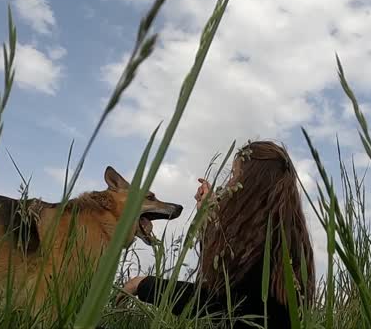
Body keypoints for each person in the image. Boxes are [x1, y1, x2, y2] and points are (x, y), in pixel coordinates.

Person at [119, 140, 316, 328]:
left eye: (234, 174)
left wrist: (143, 284)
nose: (229, 183)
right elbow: (227, 293)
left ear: (251, 183)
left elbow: (214, 303)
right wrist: (210, 221)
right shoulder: (288, 241)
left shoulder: (262, 245)